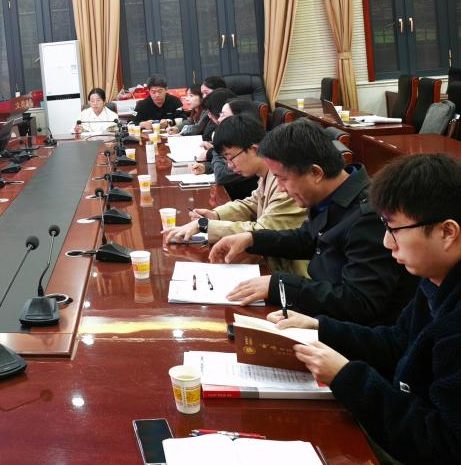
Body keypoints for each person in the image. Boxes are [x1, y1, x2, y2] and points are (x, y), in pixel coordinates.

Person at [265, 154, 460, 465]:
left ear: (447, 233)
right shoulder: (435, 279)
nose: (386, 242)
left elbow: (442, 445)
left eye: (394, 229)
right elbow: (397, 343)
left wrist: (346, 377)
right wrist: (319, 328)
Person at [209, 119, 417, 324]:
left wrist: (280, 286)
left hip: (348, 332)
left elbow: (360, 303)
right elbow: (306, 238)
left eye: (283, 178)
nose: (281, 188)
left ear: (315, 173)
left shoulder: (368, 218)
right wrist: (251, 239)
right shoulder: (330, 195)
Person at [163, 114, 309, 276]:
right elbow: (252, 203)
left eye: (230, 158)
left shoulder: (285, 181)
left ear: (254, 149)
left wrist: (205, 225)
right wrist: (216, 215)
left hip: (291, 275)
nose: (229, 166)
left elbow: (262, 231)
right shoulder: (266, 174)